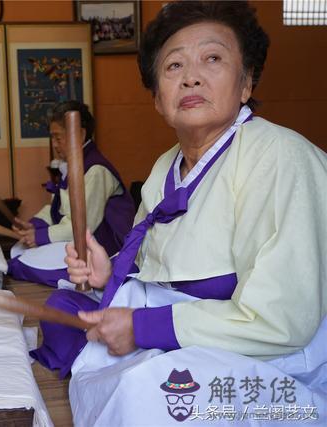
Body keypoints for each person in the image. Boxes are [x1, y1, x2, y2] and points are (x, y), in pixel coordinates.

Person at [32, 2, 327, 425]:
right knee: (66, 309)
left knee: (146, 391)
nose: (191, 76)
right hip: (186, 322)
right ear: (157, 99)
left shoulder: (282, 157)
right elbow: (160, 263)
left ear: (245, 83)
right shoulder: (165, 167)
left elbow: (280, 322)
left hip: (265, 351)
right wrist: (109, 271)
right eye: (173, 66)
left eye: (212, 58)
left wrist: (142, 328)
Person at [7, 101, 135, 288]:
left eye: (58, 138)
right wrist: (33, 226)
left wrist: (40, 237)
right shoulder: (72, 165)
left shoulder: (96, 170)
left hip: (105, 250)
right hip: (76, 241)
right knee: (19, 251)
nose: (55, 144)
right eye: (53, 138)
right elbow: (57, 208)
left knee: (20, 264)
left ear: (80, 134)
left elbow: (81, 226)